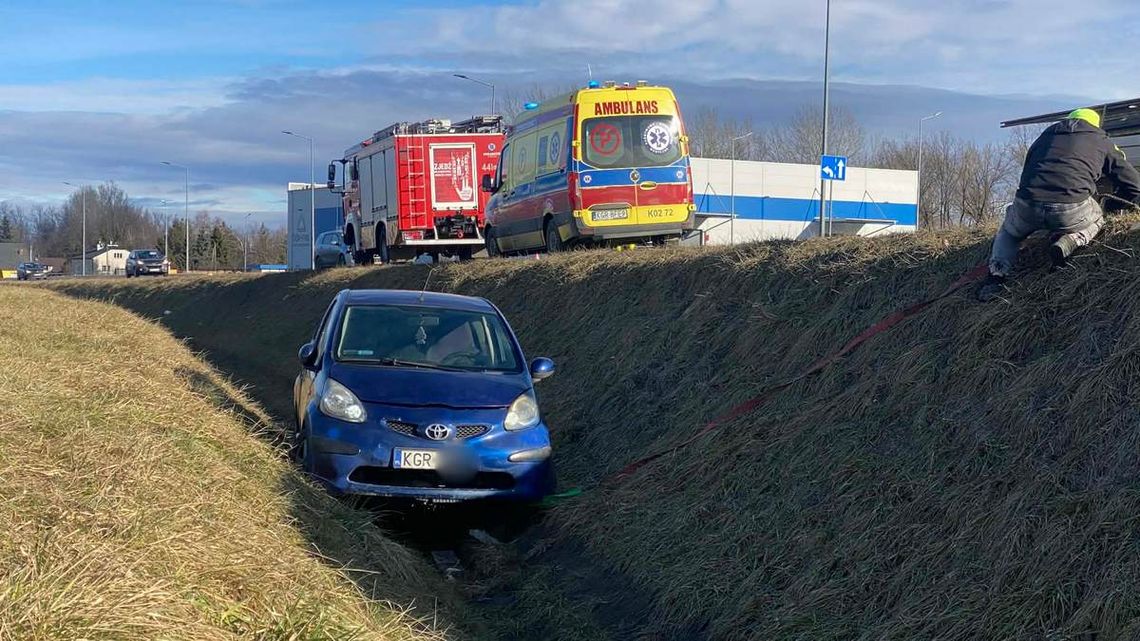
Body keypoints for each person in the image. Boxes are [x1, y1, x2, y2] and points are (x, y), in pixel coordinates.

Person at [976, 108, 1140, 301]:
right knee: (1097, 214)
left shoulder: (1046, 136)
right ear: (1095, 124)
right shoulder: (1100, 139)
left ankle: (995, 277)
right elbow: (1133, 183)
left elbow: (1028, 171)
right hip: (1069, 209)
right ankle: (1071, 241)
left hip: (1027, 204)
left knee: (1009, 233)